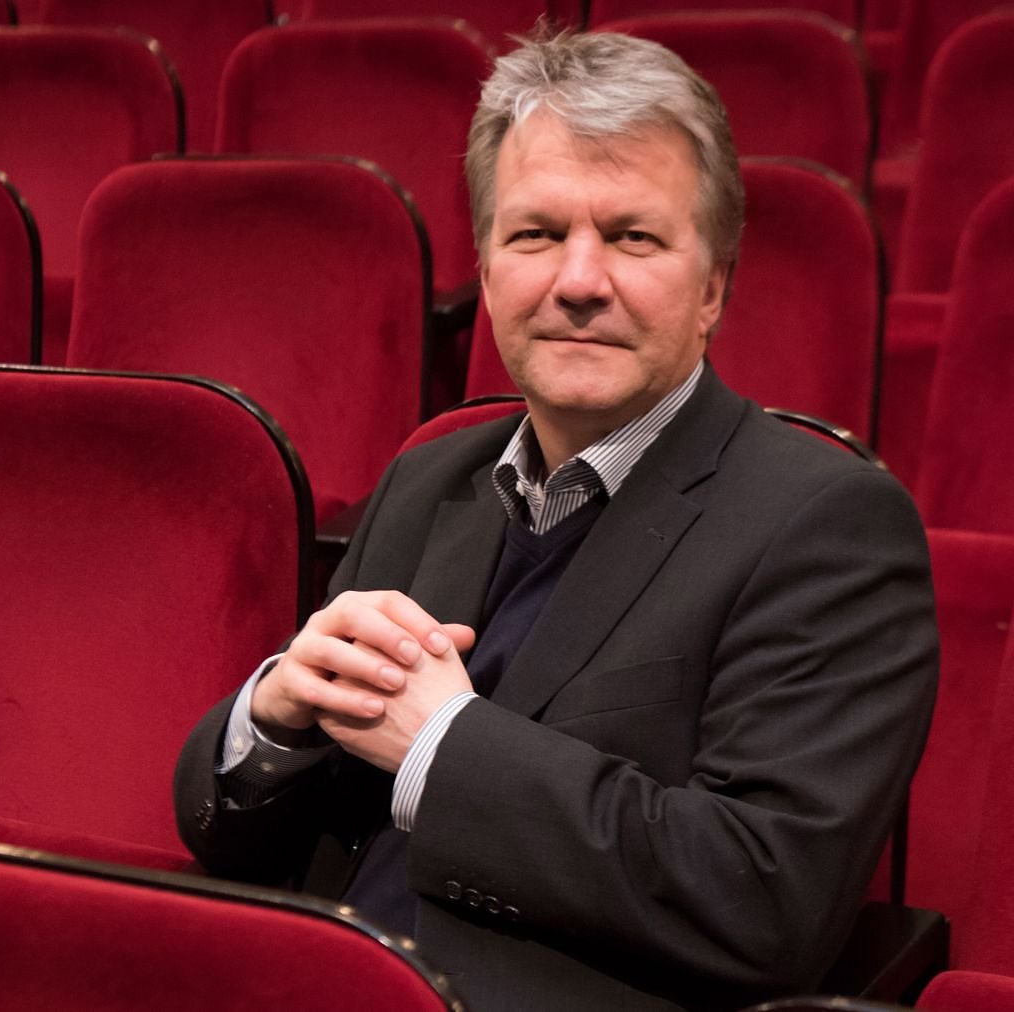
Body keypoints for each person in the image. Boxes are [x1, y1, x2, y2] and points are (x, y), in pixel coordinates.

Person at [174, 30, 938, 1012]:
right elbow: (244, 838)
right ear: (489, 274)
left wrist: (442, 745)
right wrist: (275, 717)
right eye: (534, 234)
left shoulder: (828, 524)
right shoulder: (426, 480)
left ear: (712, 287)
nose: (578, 281)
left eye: (632, 238)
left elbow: (764, 900)